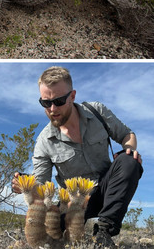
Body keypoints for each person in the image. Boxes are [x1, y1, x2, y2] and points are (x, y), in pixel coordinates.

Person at [11, 66, 143, 248]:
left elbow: (127, 135)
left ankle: (104, 233)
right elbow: (41, 185)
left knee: (129, 160)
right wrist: (26, 187)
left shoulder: (97, 112)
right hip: (75, 202)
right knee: (49, 225)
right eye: (45, 103)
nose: (52, 108)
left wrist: (129, 149)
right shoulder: (44, 142)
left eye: (58, 101)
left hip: (107, 188)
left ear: (72, 96)